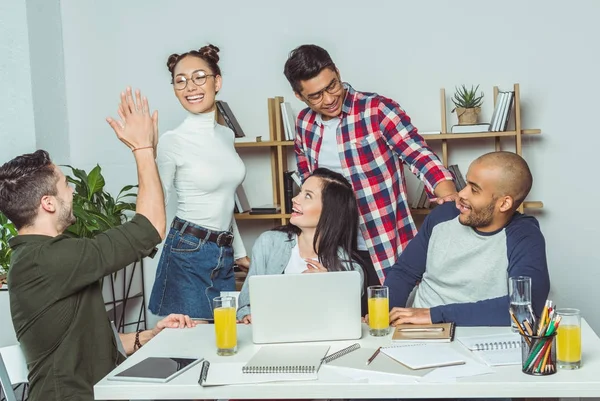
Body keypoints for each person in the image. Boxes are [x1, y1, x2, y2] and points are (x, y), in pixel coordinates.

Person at [0, 88, 198, 401]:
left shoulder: (41, 257)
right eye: (66, 186)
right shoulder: (49, 260)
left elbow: (83, 345)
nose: (74, 193)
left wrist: (149, 336)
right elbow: (150, 228)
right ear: (48, 203)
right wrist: (143, 149)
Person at [283, 44, 457, 289]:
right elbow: (307, 177)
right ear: (299, 96)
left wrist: (449, 198)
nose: (330, 98)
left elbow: (419, 155)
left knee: (384, 319)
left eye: (332, 85)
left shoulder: (377, 110)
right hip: (331, 247)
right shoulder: (304, 123)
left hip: (381, 242)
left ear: (338, 73)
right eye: (316, 95)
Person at [382, 151, 550, 326]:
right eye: (466, 184)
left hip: (474, 335)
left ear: (504, 203)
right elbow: (404, 273)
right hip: (420, 331)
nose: (461, 194)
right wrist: (382, 314)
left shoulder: (524, 235)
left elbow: (526, 306)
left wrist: (435, 315)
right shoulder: (443, 215)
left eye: (474, 190)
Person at [148, 44, 249, 319]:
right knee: (190, 341)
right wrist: (143, 151)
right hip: (187, 251)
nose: (190, 86)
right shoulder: (173, 140)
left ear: (217, 81)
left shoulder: (226, 136)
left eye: (199, 77)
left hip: (223, 252)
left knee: (222, 336)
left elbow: (226, 201)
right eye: (180, 81)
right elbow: (156, 199)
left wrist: (239, 252)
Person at [237, 168, 365, 322]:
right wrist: (247, 316)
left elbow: (348, 321)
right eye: (300, 192)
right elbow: (246, 304)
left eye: (308, 196)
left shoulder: (352, 271)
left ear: (330, 212)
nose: (295, 199)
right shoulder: (268, 243)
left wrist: (330, 284)